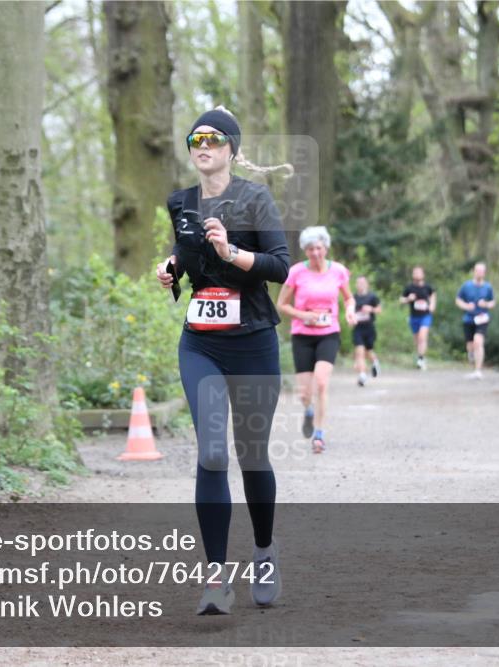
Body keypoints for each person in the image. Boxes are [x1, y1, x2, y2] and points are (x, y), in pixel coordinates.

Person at [156, 107, 291, 615]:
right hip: (202, 343)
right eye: (195, 139)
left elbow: (280, 265)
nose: (202, 145)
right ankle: (215, 577)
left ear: (231, 148)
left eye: (213, 139)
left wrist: (232, 252)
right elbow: (183, 248)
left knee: (252, 456)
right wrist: (171, 266)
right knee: (212, 454)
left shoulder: (255, 199)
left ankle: (263, 551)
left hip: (254, 341)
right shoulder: (181, 202)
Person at [276, 226, 355, 454]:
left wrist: (350, 311)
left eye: (319, 248)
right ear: (305, 251)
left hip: (329, 333)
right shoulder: (297, 272)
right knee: (305, 393)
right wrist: (304, 316)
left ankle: (319, 435)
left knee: (321, 383)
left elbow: (348, 298)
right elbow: (281, 304)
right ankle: (308, 410)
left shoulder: (338, 271)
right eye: (310, 249)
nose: (315, 253)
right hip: (302, 335)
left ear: (326, 247)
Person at [454, 262, 496, 380]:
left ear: (485, 273)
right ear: (474, 271)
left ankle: (478, 370)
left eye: (482, 271)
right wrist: (466, 306)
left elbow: (493, 302)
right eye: (478, 270)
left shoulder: (488, 287)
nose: (480, 273)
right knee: (470, 345)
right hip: (468, 319)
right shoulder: (466, 286)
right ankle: (472, 357)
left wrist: (486, 304)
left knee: (478, 341)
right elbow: (458, 300)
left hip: (482, 318)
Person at [400, 266, 436, 370]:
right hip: (414, 317)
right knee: (417, 340)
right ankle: (421, 357)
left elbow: (433, 295)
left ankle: (421, 359)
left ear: (423, 275)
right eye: (415, 273)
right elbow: (401, 299)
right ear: (412, 275)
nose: (417, 274)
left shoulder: (427, 287)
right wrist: (408, 299)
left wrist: (432, 305)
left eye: (419, 272)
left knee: (422, 336)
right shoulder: (409, 288)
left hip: (425, 316)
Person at [351, 276, 382, 386]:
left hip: (369, 328)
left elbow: (379, 310)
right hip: (358, 328)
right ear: (356, 285)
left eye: (363, 282)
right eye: (358, 283)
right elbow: (350, 311)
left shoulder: (372, 297)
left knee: (368, 351)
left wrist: (371, 309)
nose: (360, 285)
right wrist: (351, 319)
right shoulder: (353, 298)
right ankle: (362, 375)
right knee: (359, 352)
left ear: (367, 284)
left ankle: (375, 362)